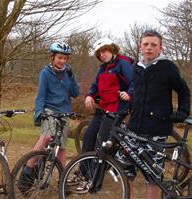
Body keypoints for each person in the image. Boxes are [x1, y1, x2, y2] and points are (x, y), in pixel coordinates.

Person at [128, 30, 190, 199]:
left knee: (153, 176)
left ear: (160, 48)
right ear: (140, 47)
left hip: (157, 129)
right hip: (133, 129)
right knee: (125, 172)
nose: (149, 48)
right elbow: (134, 93)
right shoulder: (136, 68)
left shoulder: (168, 68)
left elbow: (183, 90)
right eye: (146, 44)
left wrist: (183, 111)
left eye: (153, 45)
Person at [17, 41, 79, 192]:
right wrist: (39, 113)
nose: (62, 61)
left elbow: (75, 93)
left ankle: (62, 181)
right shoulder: (45, 73)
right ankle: (28, 169)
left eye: (65, 58)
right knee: (47, 137)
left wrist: (71, 77)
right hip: (49, 110)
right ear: (52, 57)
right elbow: (40, 96)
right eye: (59, 57)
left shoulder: (68, 73)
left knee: (62, 148)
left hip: (64, 112)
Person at [74, 38, 133, 193]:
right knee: (88, 138)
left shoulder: (123, 64)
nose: (102, 55)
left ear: (112, 49)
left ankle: (93, 179)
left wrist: (129, 93)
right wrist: (89, 95)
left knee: (100, 144)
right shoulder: (104, 69)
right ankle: (84, 173)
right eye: (99, 53)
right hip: (103, 109)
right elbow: (95, 86)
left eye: (105, 51)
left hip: (117, 111)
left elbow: (136, 83)